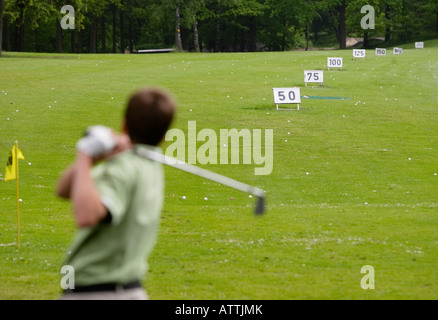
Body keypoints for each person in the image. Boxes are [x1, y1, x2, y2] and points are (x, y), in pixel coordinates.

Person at [56, 87, 176, 300]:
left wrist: (84, 154)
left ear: (125, 124)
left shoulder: (121, 169)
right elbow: (64, 190)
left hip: (96, 291)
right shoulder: (151, 165)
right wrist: (94, 158)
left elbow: (87, 216)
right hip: (128, 290)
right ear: (164, 136)